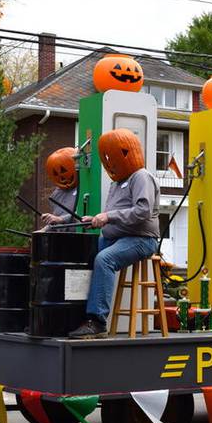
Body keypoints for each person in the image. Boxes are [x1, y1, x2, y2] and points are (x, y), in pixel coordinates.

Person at [68, 128, 159, 339]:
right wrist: (95, 220)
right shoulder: (117, 183)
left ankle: (97, 321)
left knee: (104, 259)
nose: (109, 162)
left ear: (128, 152)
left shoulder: (141, 176)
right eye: (105, 157)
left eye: (113, 156)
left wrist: (108, 217)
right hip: (115, 237)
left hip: (142, 239)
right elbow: (114, 216)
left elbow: (143, 211)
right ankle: (76, 314)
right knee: (82, 257)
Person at [40, 147, 79, 226]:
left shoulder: (83, 190)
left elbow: (82, 215)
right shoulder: (56, 195)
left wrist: (61, 219)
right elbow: (56, 221)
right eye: (55, 173)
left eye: (63, 170)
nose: (61, 177)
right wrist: (44, 230)